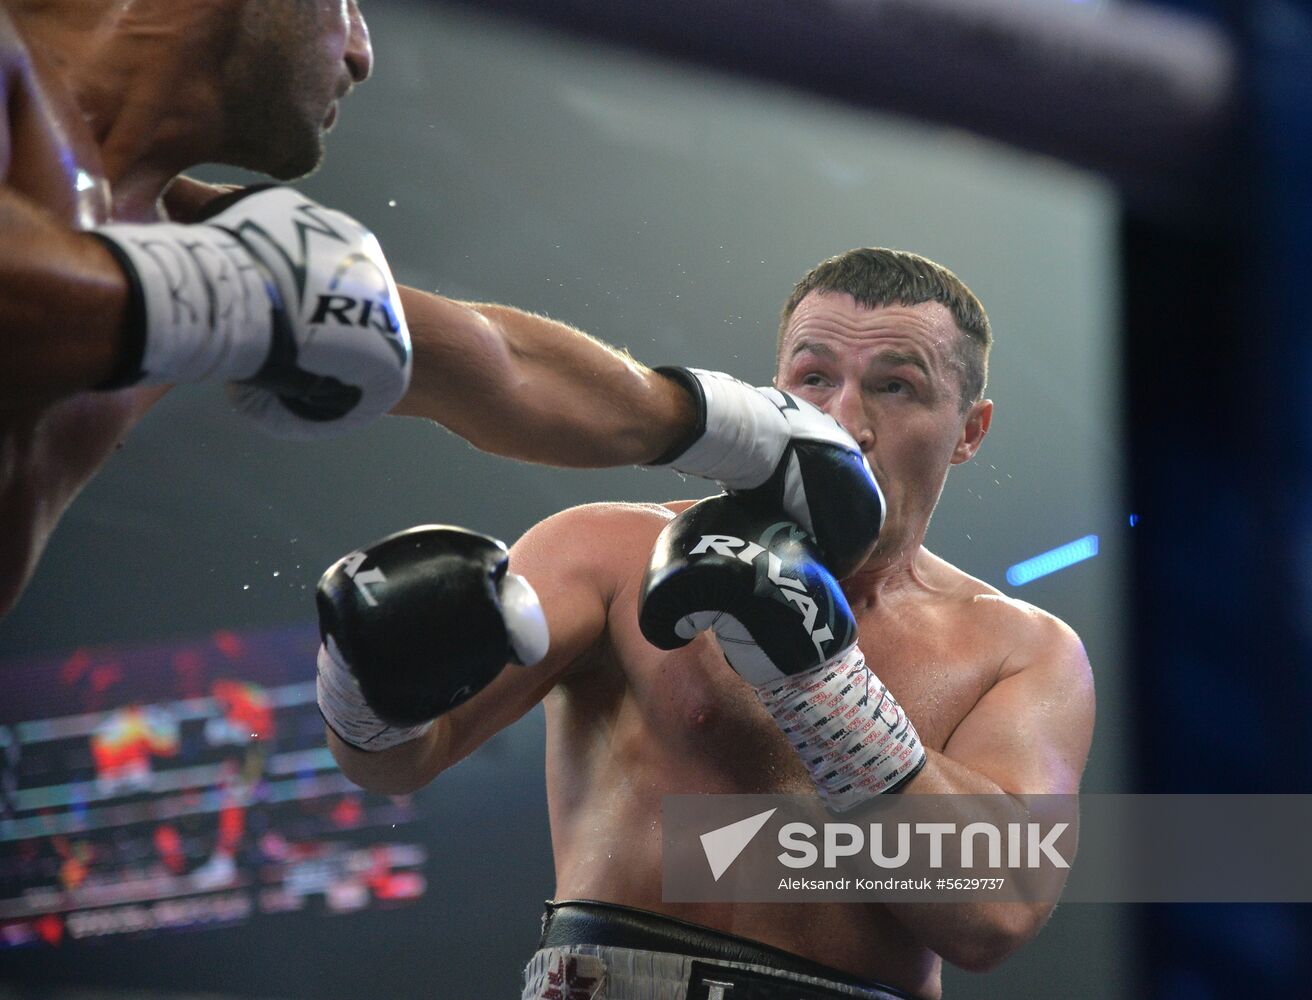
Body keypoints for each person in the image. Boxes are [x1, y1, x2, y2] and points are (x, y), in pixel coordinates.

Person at [316, 248, 1097, 999]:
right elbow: (398, 762)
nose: (844, 419)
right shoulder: (608, 551)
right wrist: (362, 680)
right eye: (814, 378)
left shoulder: (1021, 649)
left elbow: (995, 916)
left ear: (969, 430)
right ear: (776, 390)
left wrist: (819, 679)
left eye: (896, 387)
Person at [0, 0, 880, 619]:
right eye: (346, 2)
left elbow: (500, 368)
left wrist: (750, 432)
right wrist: (243, 299)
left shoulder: (191, 242)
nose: (360, 52)